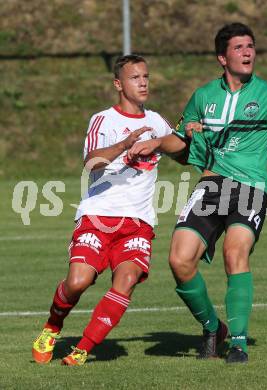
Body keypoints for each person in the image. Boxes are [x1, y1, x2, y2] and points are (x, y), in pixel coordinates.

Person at [128, 22, 267, 363]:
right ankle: (214, 327)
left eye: (250, 46)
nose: (247, 52)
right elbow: (181, 144)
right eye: (239, 48)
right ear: (222, 58)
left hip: (250, 188)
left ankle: (237, 342)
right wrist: (157, 143)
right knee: (179, 260)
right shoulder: (203, 96)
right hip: (211, 186)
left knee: (234, 252)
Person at [32, 54, 172, 366]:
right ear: (118, 84)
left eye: (146, 76)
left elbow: (184, 152)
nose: (144, 82)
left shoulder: (158, 122)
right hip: (98, 216)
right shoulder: (103, 120)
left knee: (126, 280)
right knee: (78, 282)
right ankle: (52, 327)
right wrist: (125, 144)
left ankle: (82, 349)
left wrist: (187, 134)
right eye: (135, 77)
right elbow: (91, 163)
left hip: (138, 223)